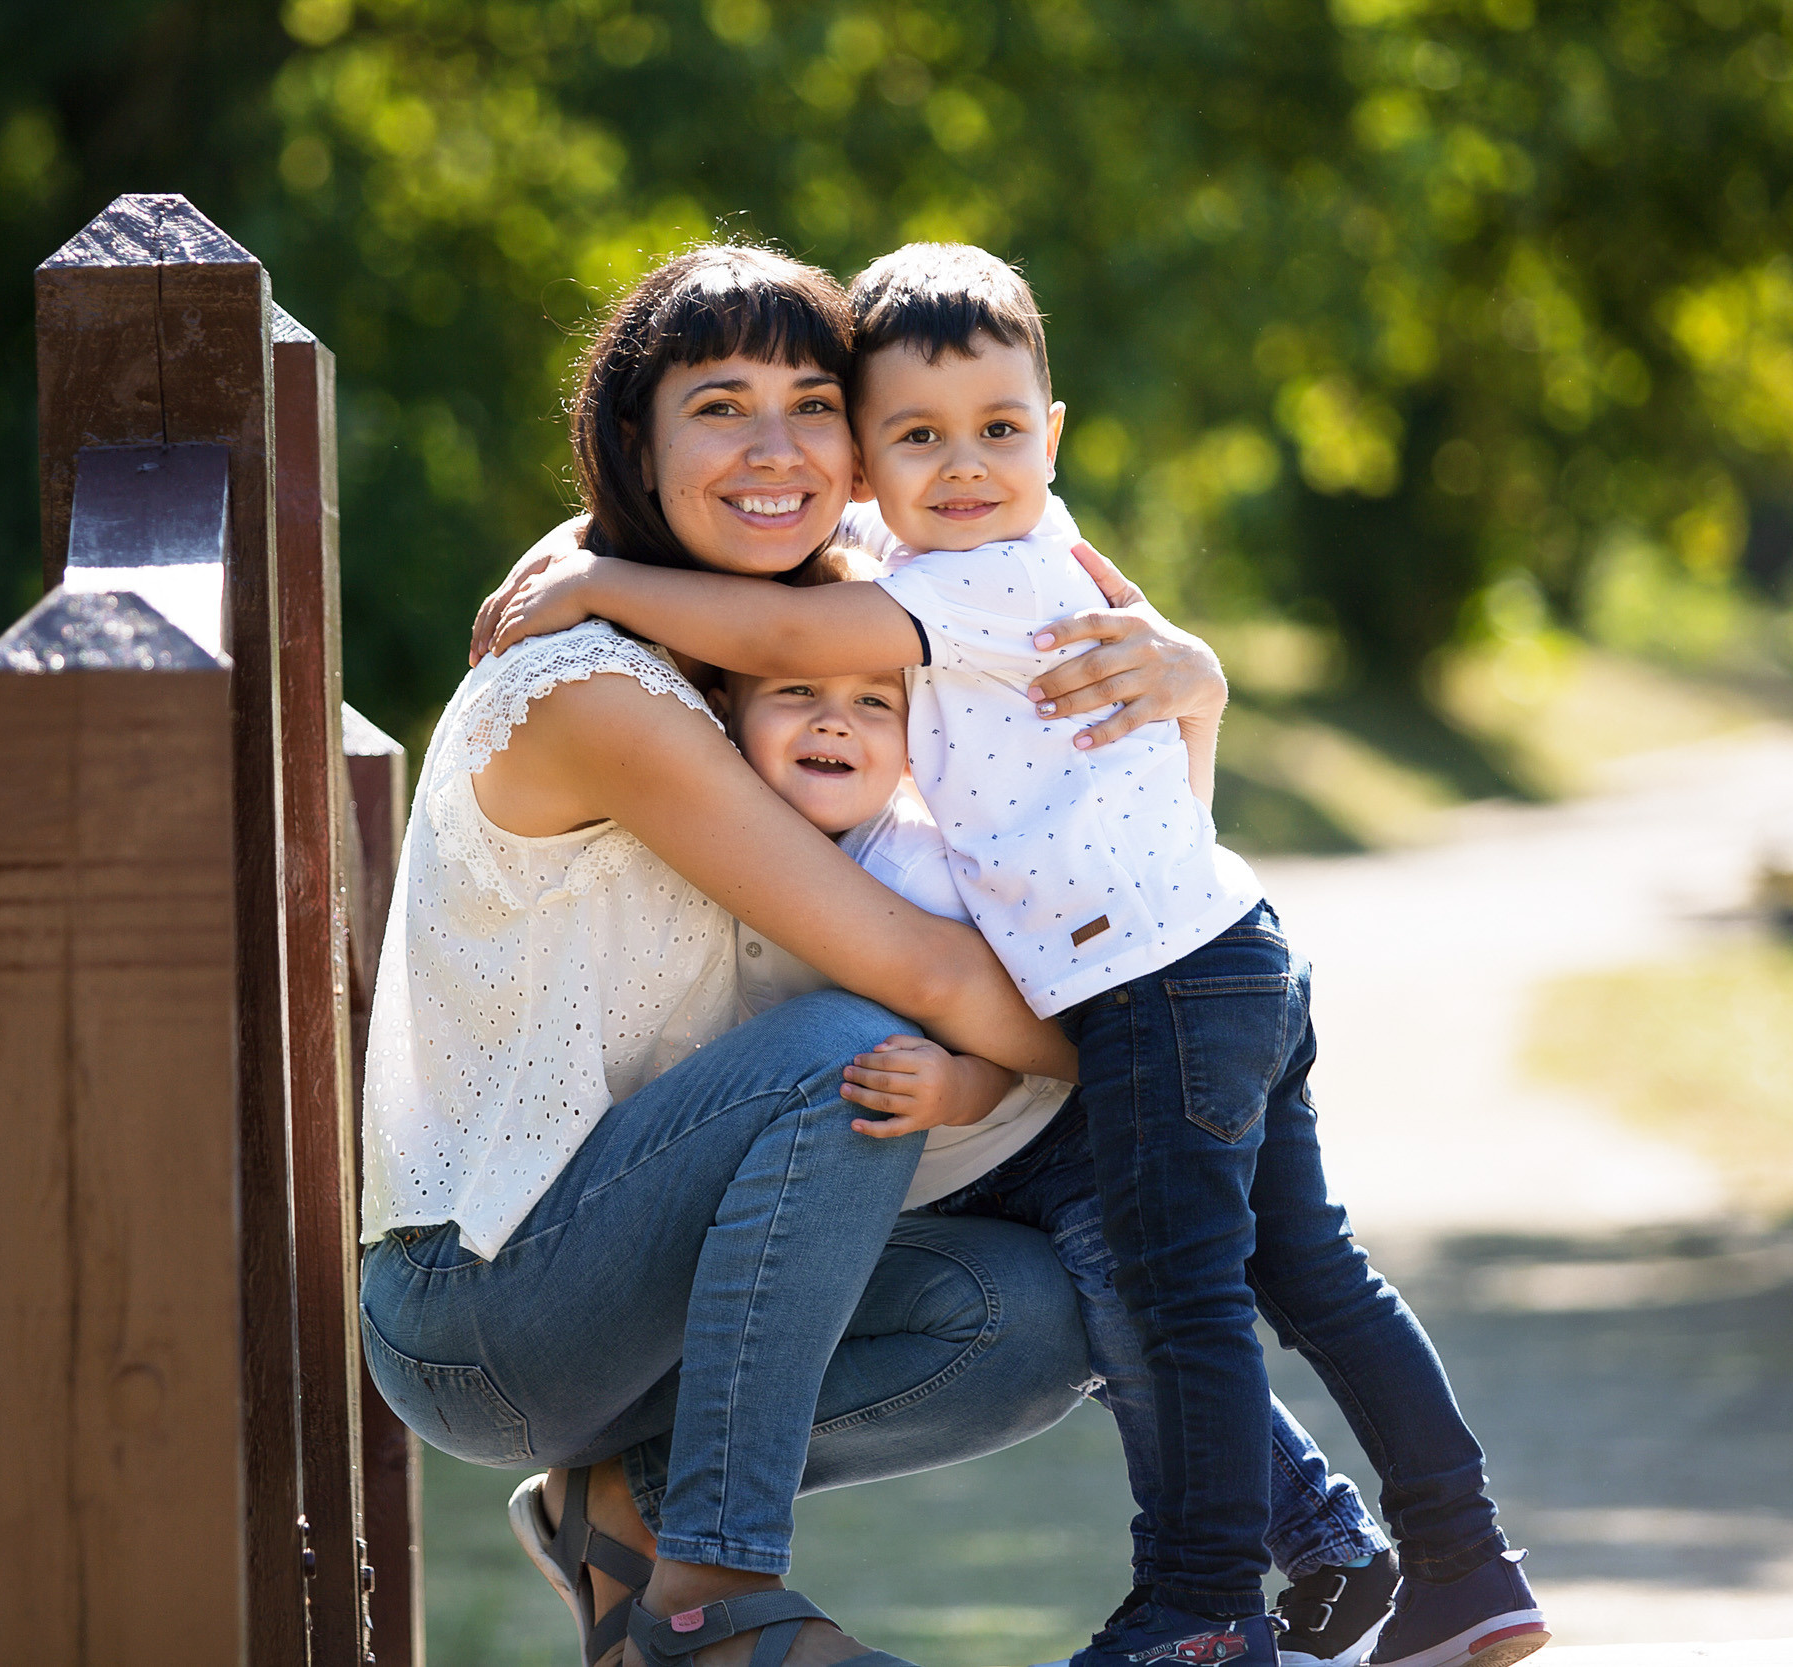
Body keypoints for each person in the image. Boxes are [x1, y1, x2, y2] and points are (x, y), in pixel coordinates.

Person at [486, 242, 1547, 1667]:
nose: (966, 461)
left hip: (1161, 987)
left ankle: (1205, 1603)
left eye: (999, 430)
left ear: (1051, 435)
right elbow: (814, 607)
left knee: (1185, 1296)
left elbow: (789, 620)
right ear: (867, 463)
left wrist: (601, 582)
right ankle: (1459, 1558)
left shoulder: (974, 581)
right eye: (917, 435)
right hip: (1221, 952)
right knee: (1311, 1274)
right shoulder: (974, 567)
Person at [359, 243, 1237, 1667]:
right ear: (633, 446)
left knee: (1038, 1313)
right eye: (719, 406)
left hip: (644, 1283)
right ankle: (712, 1605)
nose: (776, 449)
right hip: (485, 1303)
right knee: (854, 1046)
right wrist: (1181, 1058)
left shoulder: (819, 619)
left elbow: (1073, 700)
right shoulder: (598, 687)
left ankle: (620, 1513)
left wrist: (1197, 684)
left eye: (812, 402)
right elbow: (938, 974)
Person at [710, 544, 1400, 1667]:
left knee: (1140, 1337)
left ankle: (1308, 1550)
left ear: (917, 732)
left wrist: (959, 1083)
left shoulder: (924, 862)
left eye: (871, 703)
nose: (834, 722)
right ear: (730, 707)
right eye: (796, 692)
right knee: (1113, 1335)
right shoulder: (729, 848)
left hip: (1049, 1139)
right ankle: (1324, 1546)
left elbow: (1057, 1015)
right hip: (958, 1178)